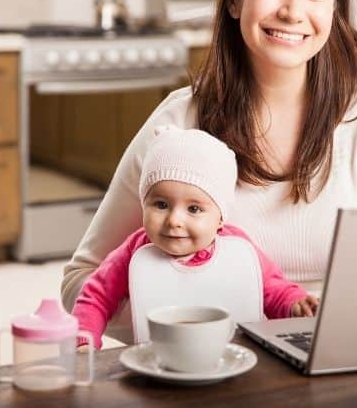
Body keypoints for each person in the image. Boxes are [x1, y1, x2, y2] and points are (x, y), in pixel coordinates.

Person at [62, 0, 357, 341]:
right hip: (215, 362)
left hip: (344, 349)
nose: (293, 12)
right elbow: (80, 282)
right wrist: (193, 324)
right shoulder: (181, 121)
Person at [73, 126, 318, 349]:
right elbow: (96, 296)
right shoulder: (134, 251)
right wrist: (84, 338)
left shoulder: (238, 249)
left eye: (193, 209)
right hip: (159, 360)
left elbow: (272, 289)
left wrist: (294, 304)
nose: (174, 220)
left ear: (220, 217)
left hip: (235, 357)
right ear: (143, 204)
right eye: (161, 204)